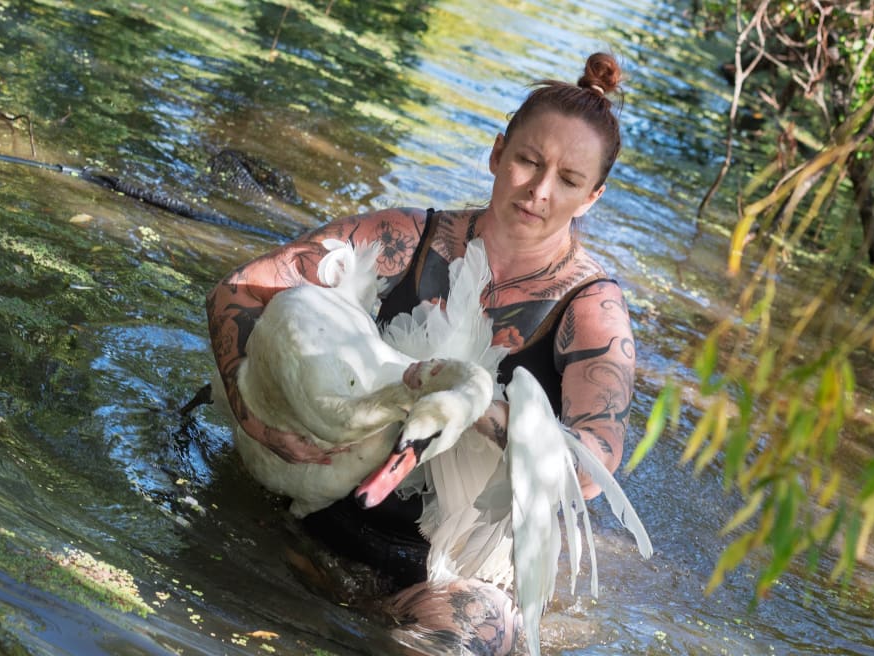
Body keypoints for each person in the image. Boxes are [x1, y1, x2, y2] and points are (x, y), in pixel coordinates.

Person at [205, 51, 635, 656]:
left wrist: (479, 414)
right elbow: (238, 289)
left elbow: (594, 468)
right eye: (528, 162)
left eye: (567, 181)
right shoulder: (404, 239)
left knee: (477, 636)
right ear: (496, 153)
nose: (539, 192)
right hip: (311, 505)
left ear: (592, 197)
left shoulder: (592, 313)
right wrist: (248, 410)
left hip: (444, 571)